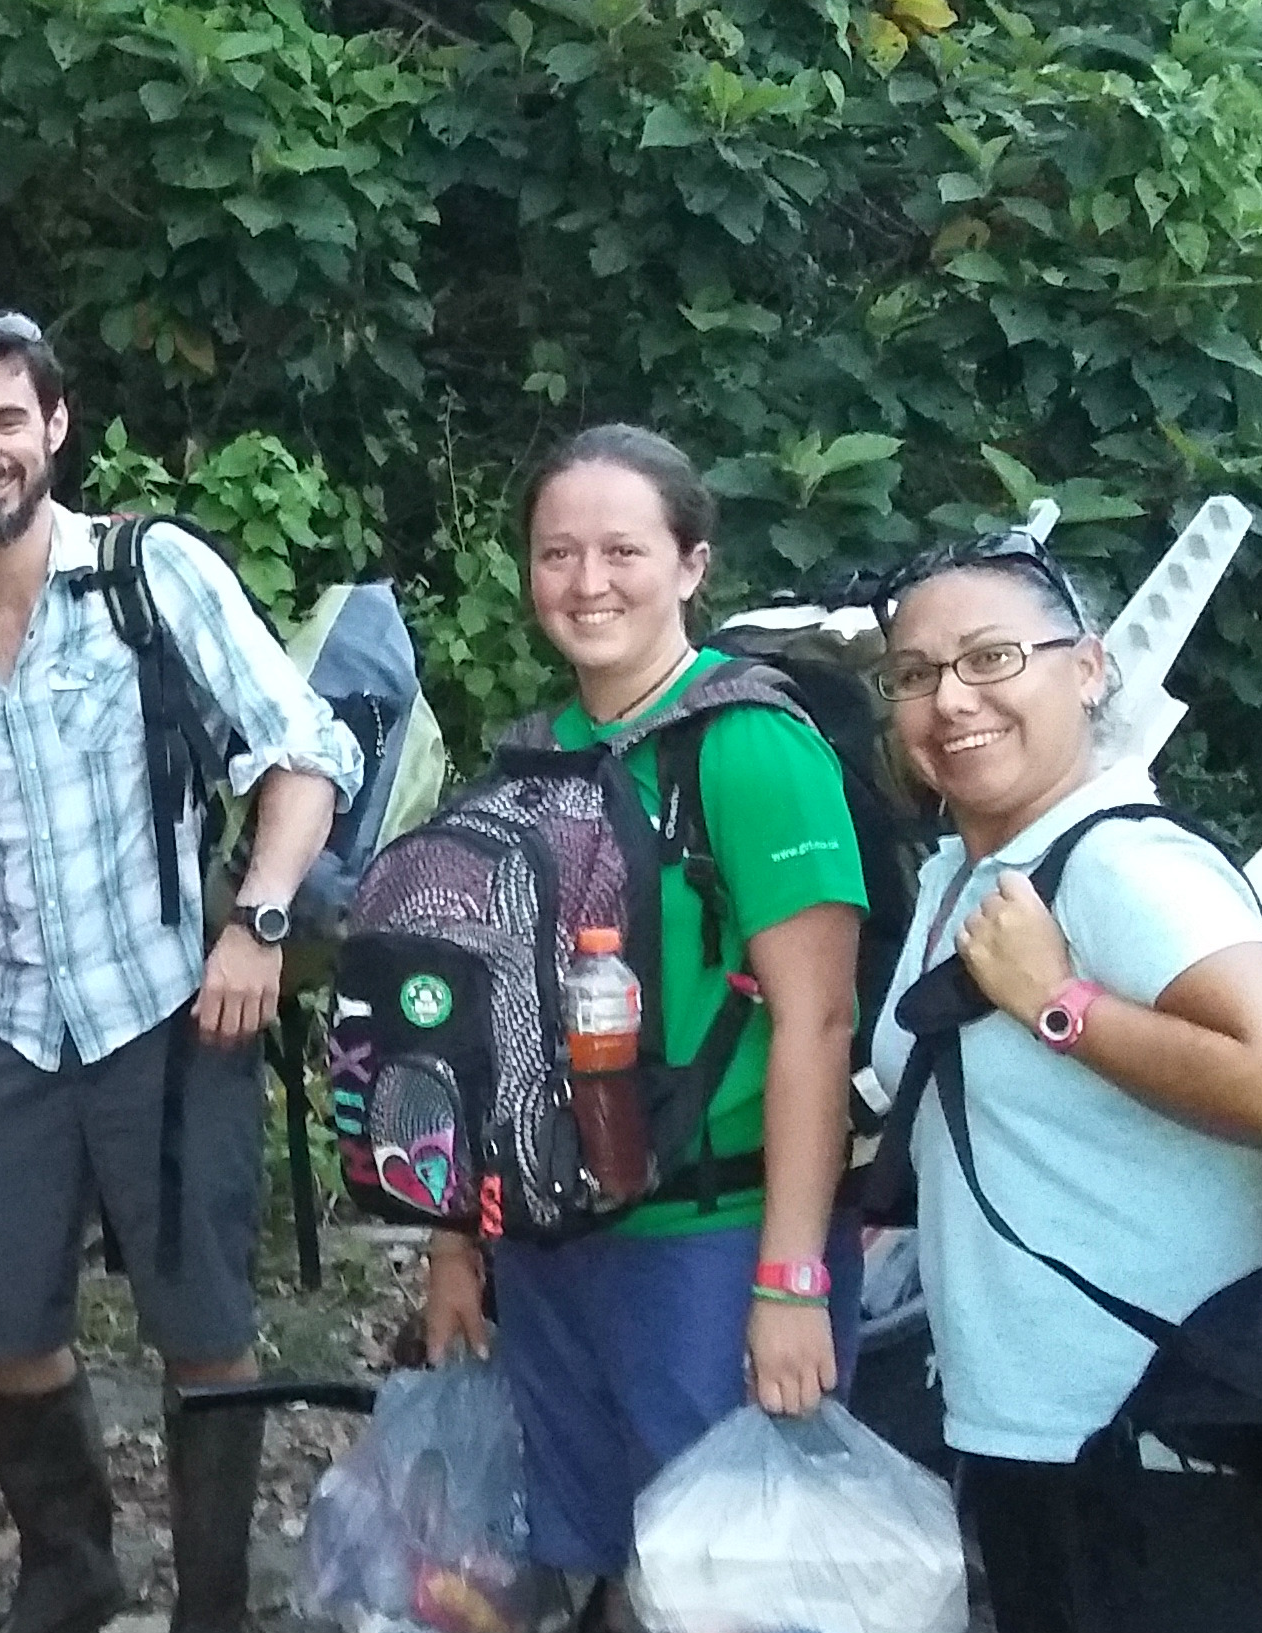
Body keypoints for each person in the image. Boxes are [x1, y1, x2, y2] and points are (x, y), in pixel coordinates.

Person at [0, 311, 362, 1633]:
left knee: (198, 1325)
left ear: (54, 427)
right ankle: (68, 1571)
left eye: (6, 420)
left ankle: (207, 1605)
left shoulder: (149, 575)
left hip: (166, 1008)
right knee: (2, 1324)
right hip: (7, 1025)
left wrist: (253, 920)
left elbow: (301, 750)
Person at [420, 424, 868, 1630]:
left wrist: (790, 1278)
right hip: (553, 1242)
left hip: (710, 1243)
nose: (586, 581)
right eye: (555, 552)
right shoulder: (529, 758)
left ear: (690, 563)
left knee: (726, 1580)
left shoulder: (749, 746)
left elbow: (817, 1022)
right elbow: (487, 1026)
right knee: (599, 1553)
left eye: (622, 548)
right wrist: (457, 1242)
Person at [871, 534, 1262, 1632]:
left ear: (1085, 669)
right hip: (1028, 1427)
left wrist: (1060, 1003)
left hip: (1156, 1430)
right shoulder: (964, 871)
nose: (951, 700)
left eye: (991, 659)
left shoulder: (1126, 865)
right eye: (915, 674)